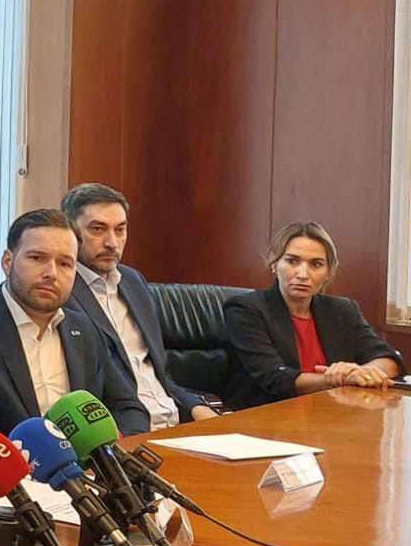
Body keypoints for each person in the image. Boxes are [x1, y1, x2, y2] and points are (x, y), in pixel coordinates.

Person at [0, 208, 150, 461]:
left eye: (65, 263)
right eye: (37, 258)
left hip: (88, 476)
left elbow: (129, 408)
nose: (51, 273)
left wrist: (107, 453)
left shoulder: (86, 330)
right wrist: (23, 461)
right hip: (9, 482)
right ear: (7, 261)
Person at [59, 182, 215, 427]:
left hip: (176, 422)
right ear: (70, 232)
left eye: (120, 230)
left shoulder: (133, 281)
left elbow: (157, 374)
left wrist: (194, 405)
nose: (112, 243)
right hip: (126, 431)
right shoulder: (61, 293)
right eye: (98, 230)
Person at [222, 221, 402, 410]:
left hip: (332, 417)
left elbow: (389, 358)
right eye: (292, 261)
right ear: (274, 263)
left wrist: (365, 373)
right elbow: (275, 378)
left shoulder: (342, 310)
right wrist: (340, 378)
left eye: (316, 264)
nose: (303, 274)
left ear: (328, 272)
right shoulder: (245, 309)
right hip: (265, 418)